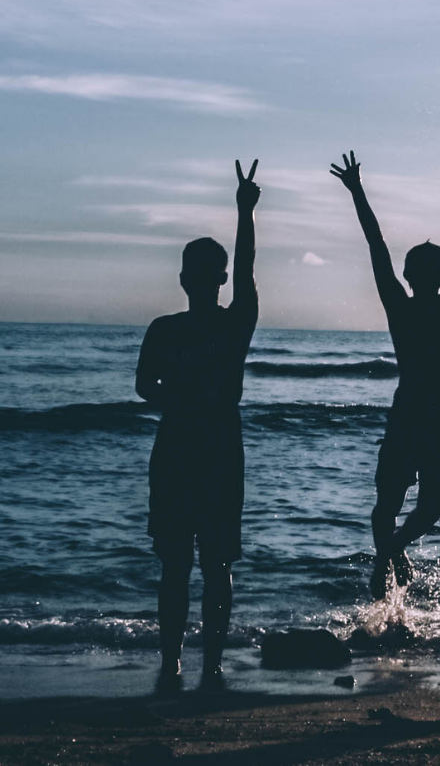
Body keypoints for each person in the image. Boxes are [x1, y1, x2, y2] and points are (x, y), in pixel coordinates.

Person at [330, 146, 440, 598]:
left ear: (410, 274)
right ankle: (391, 553)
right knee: (415, 508)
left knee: (395, 507)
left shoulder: (407, 306)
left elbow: (376, 244)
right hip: (433, 414)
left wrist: (357, 190)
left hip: (420, 414)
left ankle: (388, 555)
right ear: (437, 275)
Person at [134, 159, 261, 692]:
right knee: (206, 564)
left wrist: (243, 211)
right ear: (211, 278)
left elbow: (145, 387)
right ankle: (198, 663)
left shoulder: (201, 326)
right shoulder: (206, 324)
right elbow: (145, 384)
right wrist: (245, 211)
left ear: (191, 278)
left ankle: (185, 663)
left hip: (192, 450)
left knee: (189, 564)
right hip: (206, 450)